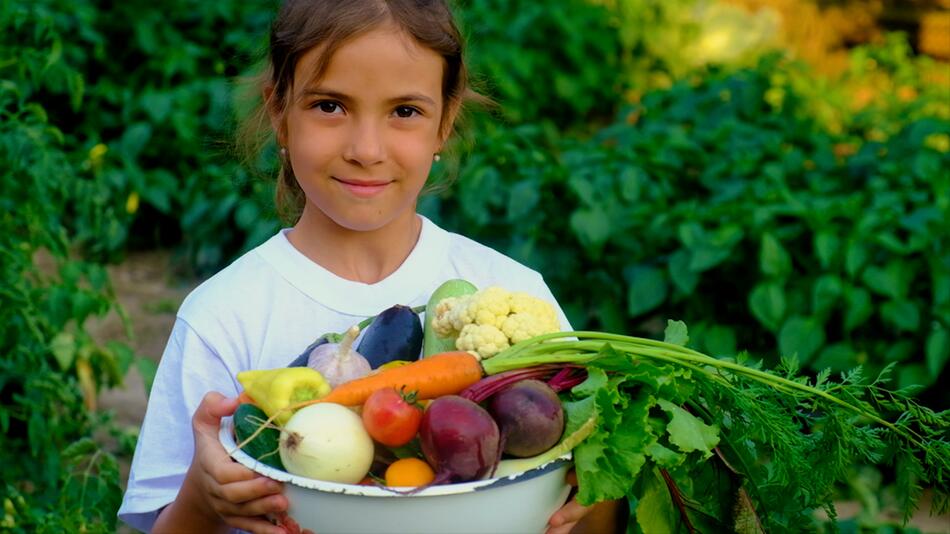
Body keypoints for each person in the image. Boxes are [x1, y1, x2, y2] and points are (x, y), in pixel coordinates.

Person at [118, 1, 622, 532]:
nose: (366, 149)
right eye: (330, 106)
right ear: (278, 113)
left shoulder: (516, 290)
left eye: (405, 111)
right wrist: (205, 490)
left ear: (444, 123)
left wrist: (594, 490)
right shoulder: (225, 314)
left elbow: (591, 507)